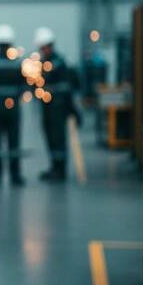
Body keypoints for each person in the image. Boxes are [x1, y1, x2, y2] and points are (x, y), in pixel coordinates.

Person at [34, 27, 81, 183]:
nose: (43, 50)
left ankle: (60, 170)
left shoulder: (59, 63)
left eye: (44, 47)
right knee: (50, 138)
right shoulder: (42, 64)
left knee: (58, 138)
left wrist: (72, 109)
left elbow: (67, 87)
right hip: (47, 107)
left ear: (50, 46)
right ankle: (54, 167)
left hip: (58, 108)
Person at [0, 24, 26, 186]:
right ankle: (15, 177)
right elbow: (24, 86)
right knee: (14, 142)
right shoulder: (17, 65)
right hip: (13, 108)